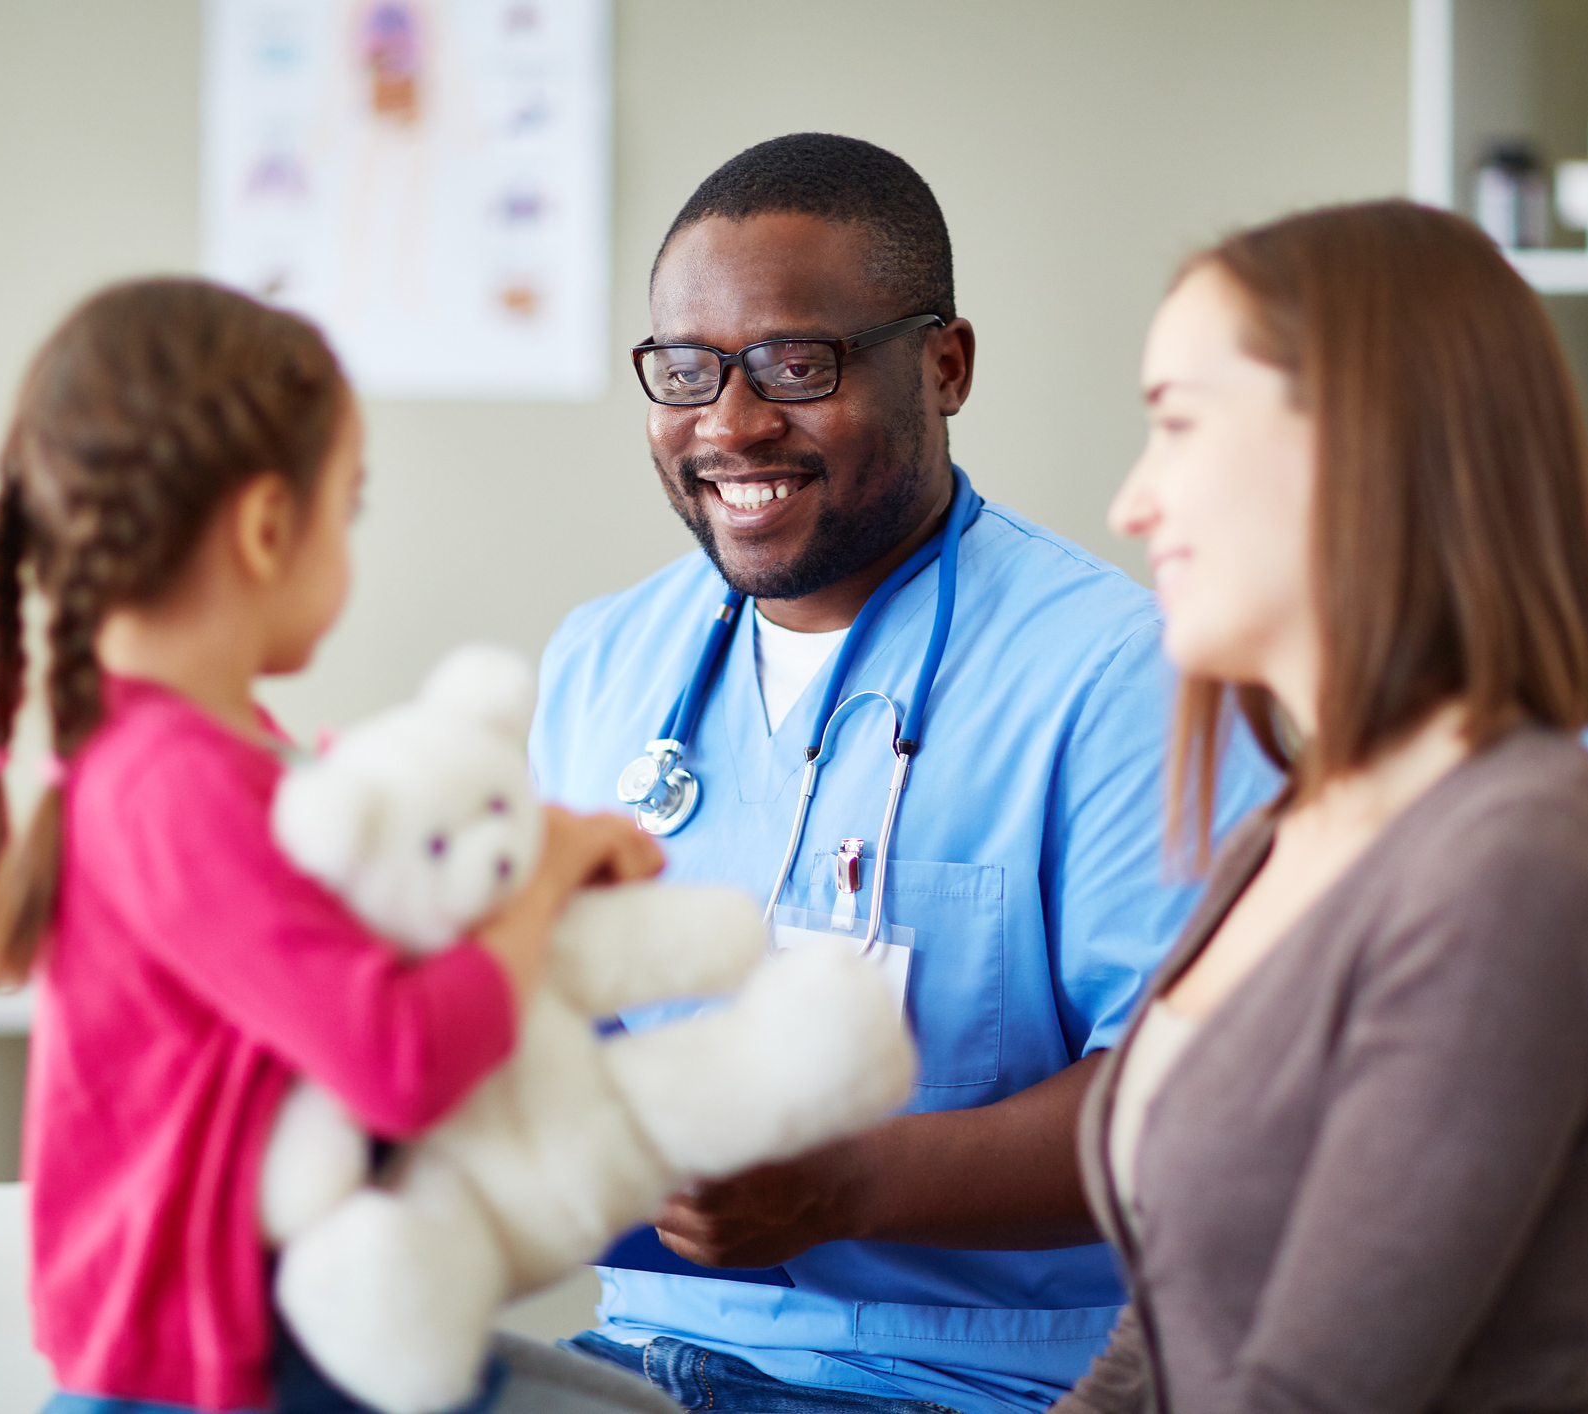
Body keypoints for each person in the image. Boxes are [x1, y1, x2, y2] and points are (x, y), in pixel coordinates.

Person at [530, 134, 1273, 1414]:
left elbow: (1188, 1109)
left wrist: (839, 1185)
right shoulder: (602, 661)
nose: (731, 421)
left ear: (945, 364)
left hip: (958, 1379)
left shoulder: (1124, 679)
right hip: (631, 1356)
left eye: (795, 365)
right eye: (687, 369)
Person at [0, 278, 681, 1414]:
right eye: (350, 504)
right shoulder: (173, 789)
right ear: (263, 526)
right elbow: (400, 1062)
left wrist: (544, 850)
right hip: (207, 1376)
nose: (348, 537)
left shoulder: (207, 762)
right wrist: (535, 877)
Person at [1054, 200, 1588, 1414]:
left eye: (1177, 426)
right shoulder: (1296, 825)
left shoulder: (1519, 862)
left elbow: (1309, 1394)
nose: (1131, 504)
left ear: (1360, 440)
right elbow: (1162, 1345)